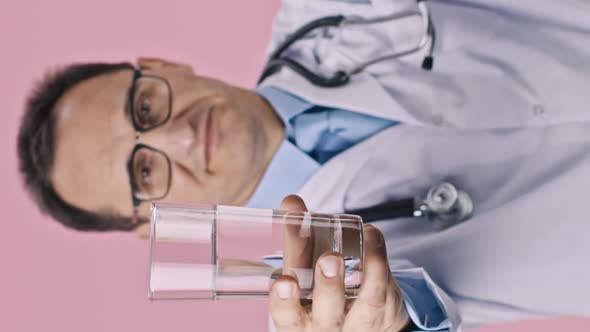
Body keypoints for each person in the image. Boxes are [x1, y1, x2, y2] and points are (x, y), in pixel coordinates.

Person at [16, 0, 590, 331]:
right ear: (150, 224)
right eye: (144, 172)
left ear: (163, 64)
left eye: (146, 107)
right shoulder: (311, 304)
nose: (180, 136)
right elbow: (413, 315)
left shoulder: (331, 8)